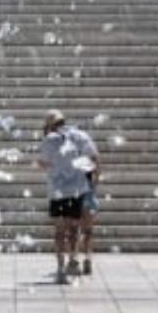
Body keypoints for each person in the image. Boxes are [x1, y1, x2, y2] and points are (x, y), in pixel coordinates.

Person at [36, 110, 99, 284]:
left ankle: (60, 268)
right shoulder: (80, 136)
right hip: (76, 190)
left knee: (59, 231)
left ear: (49, 125)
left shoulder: (49, 139)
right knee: (73, 229)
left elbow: (43, 163)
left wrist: (53, 166)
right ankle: (73, 259)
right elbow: (94, 160)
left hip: (57, 191)